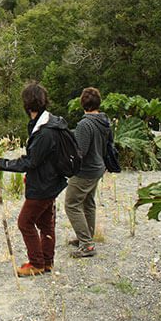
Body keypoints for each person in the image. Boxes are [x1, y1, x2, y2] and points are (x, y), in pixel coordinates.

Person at [0, 82, 68, 276]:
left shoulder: (44, 131)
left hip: (43, 184)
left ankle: (36, 263)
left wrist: (2, 164)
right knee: (45, 222)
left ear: (27, 104)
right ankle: (47, 261)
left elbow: (30, 162)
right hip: (52, 182)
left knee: (25, 222)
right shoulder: (49, 123)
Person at [64, 87, 112, 258]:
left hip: (86, 171)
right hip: (98, 167)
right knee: (88, 202)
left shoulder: (85, 124)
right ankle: (86, 237)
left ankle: (87, 245)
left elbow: (80, 152)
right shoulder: (103, 121)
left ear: (82, 103)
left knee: (71, 204)